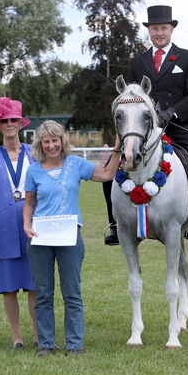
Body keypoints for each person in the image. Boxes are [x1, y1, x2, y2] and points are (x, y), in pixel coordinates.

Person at [102, 4, 188, 245]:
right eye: (154, 28)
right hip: (142, 131)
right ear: (149, 31)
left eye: (163, 28)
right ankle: (113, 223)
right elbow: (130, 94)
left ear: (171, 29)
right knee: (110, 170)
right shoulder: (138, 62)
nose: (159, 32)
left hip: (177, 127)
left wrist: (173, 112)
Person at [23, 120, 121, 357]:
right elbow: (29, 203)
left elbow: (108, 174)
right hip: (40, 238)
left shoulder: (76, 164)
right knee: (43, 292)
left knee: (72, 293)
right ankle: (46, 344)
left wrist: (117, 148)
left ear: (62, 141)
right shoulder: (34, 170)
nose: (51, 145)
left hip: (69, 237)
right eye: (46, 141)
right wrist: (26, 225)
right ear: (40, 143)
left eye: (55, 140)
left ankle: (74, 345)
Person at [0, 96, 38, 351]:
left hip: (33, 229)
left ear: (21, 123)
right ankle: (17, 337)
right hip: (2, 231)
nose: (10, 124)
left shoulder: (35, 154)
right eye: (4, 120)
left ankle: (39, 334)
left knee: (35, 285)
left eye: (14, 119)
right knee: (9, 287)